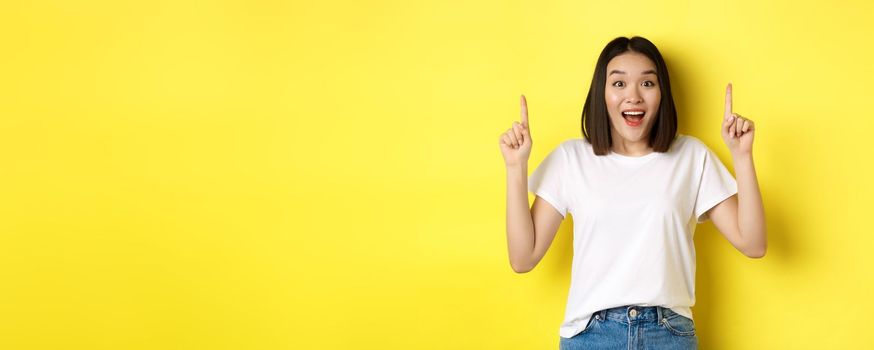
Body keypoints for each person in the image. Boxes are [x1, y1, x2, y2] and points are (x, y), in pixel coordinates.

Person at [499, 36, 767, 350]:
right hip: (591, 337)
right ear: (602, 93)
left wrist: (742, 156)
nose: (633, 96)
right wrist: (515, 167)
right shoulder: (571, 159)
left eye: (647, 83)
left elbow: (753, 243)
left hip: (668, 334)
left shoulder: (691, 156)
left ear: (662, 93)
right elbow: (523, 258)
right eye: (619, 84)